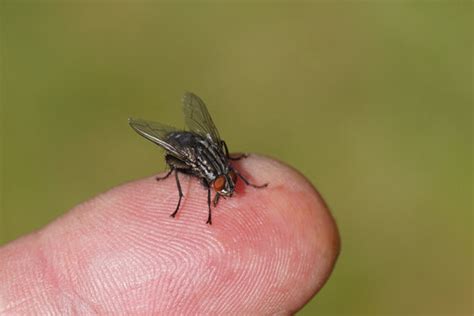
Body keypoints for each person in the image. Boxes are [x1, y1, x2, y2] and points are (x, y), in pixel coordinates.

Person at [0, 155, 340, 314]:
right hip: (191, 151)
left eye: (227, 184)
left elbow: (222, 162)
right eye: (223, 186)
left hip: (210, 153)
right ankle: (179, 193)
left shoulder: (223, 172)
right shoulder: (208, 177)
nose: (226, 189)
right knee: (179, 169)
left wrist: (233, 171)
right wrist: (200, 204)